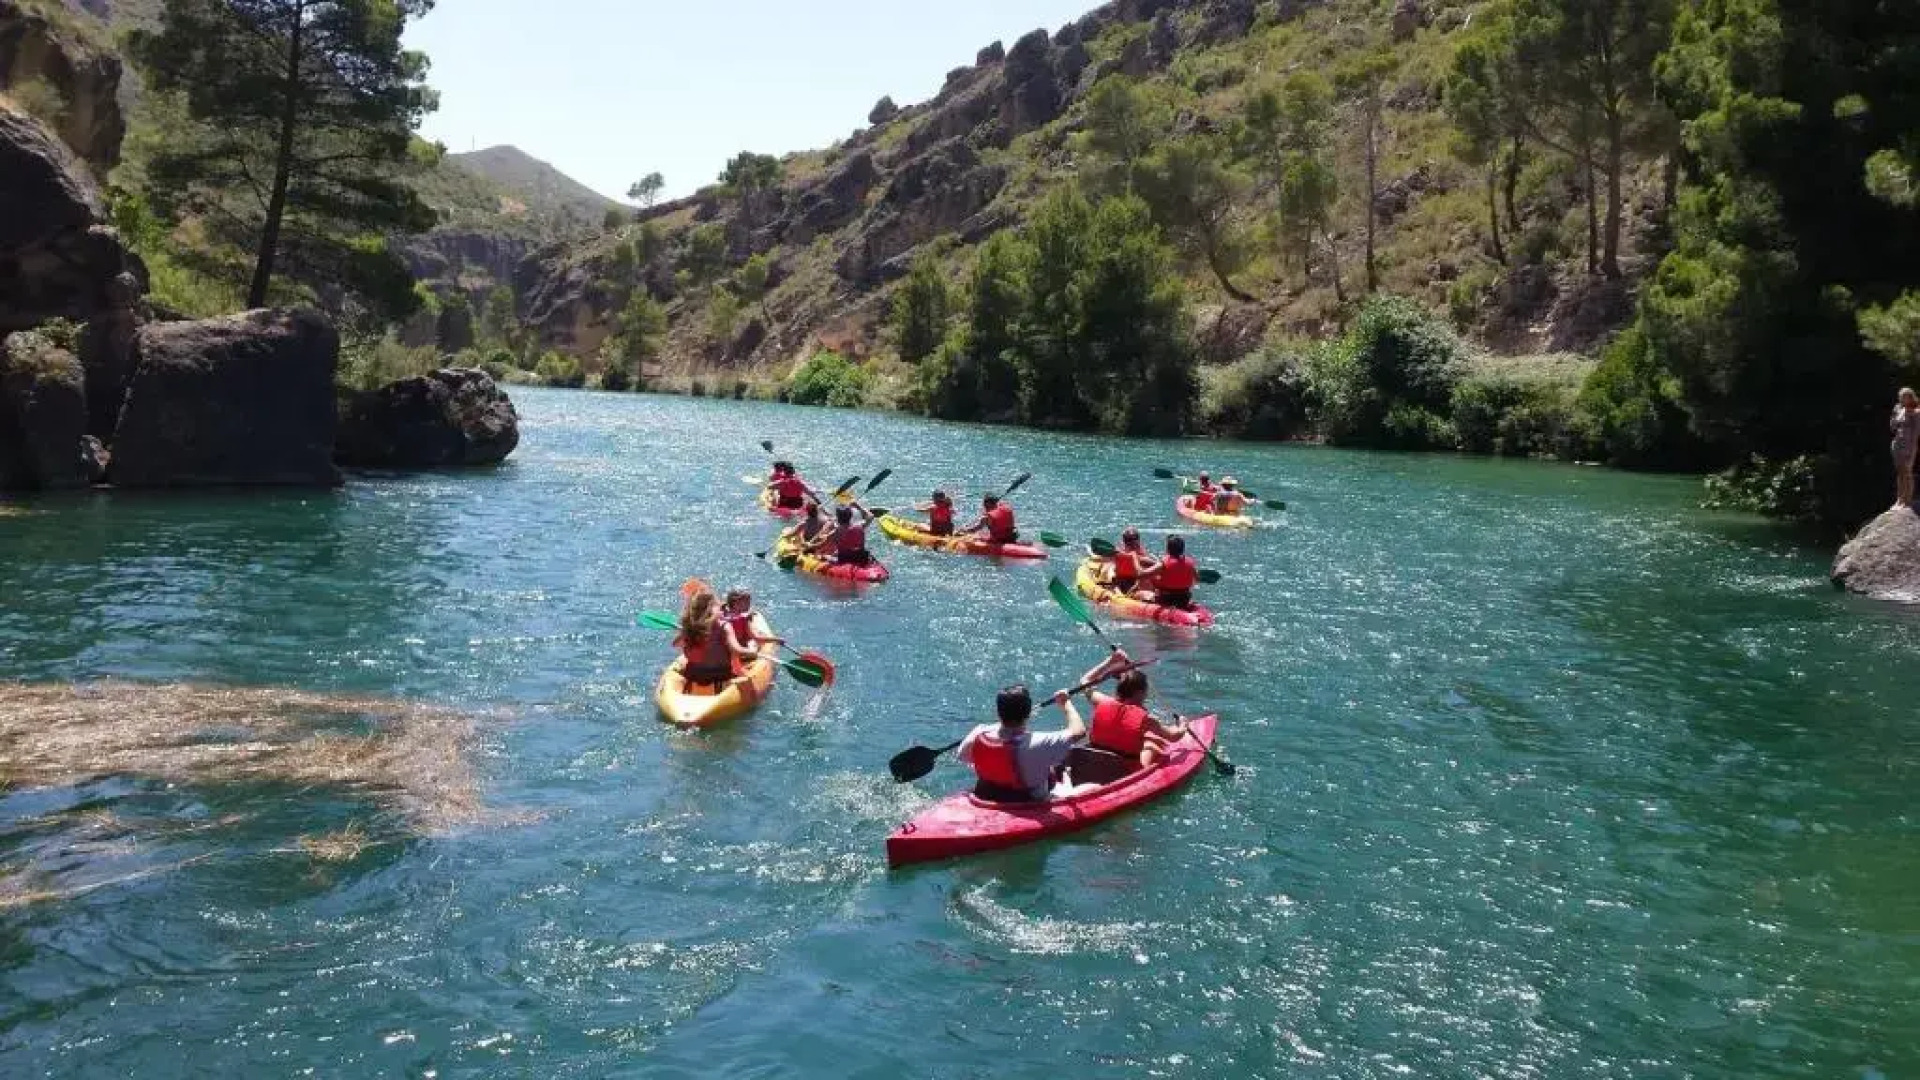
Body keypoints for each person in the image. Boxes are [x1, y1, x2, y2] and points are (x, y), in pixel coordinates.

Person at [958, 684, 1087, 804]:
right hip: (1029, 802)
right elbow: (1079, 731)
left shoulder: (979, 733)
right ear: (1028, 714)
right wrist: (1066, 703)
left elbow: (962, 756)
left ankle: (1064, 777)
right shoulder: (1038, 742)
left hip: (988, 794)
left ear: (998, 712)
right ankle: (1066, 779)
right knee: (1094, 786)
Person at [1081, 650, 1189, 772]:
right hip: (1122, 769)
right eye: (1145, 691)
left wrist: (1110, 661)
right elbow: (1174, 736)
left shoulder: (1101, 701)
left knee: (1148, 739)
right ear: (1139, 693)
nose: (1147, 694)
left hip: (1095, 760)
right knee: (1152, 746)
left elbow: (1085, 680)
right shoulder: (1147, 719)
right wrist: (1183, 725)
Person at [675, 589, 750, 690]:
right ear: (712, 608)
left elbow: (676, 644)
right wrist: (752, 651)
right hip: (720, 676)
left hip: (694, 675)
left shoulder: (690, 627)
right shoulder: (724, 625)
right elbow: (736, 649)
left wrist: (686, 631)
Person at [1144, 534, 1200, 611]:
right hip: (1184, 600)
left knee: (1140, 594)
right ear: (1182, 549)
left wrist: (1134, 559)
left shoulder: (1163, 563)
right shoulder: (1191, 563)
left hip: (1165, 600)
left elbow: (1141, 574)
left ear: (1168, 549)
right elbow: (1197, 579)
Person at [721, 589, 781, 654]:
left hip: (725, 650)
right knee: (755, 640)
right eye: (746, 602)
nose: (749, 605)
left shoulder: (723, 614)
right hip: (742, 649)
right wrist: (776, 639)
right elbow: (756, 638)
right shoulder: (745, 618)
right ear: (735, 603)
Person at [1108, 528, 1159, 594]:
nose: (1134, 543)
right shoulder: (1128, 554)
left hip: (1129, 581)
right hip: (1127, 584)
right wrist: (1160, 564)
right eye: (1130, 540)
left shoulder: (1119, 552)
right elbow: (1149, 563)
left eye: (1135, 539)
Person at [1894, 388, 1920, 509]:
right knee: (1900, 472)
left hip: (1909, 445)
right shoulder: (1898, 409)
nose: (1903, 399)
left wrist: (1913, 451)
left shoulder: (1916, 411)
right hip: (1897, 444)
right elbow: (1893, 427)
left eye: (1905, 396)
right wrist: (1894, 417)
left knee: (1907, 472)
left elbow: (1916, 434)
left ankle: (1907, 499)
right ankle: (1899, 498)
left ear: (1911, 397)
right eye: (1901, 396)